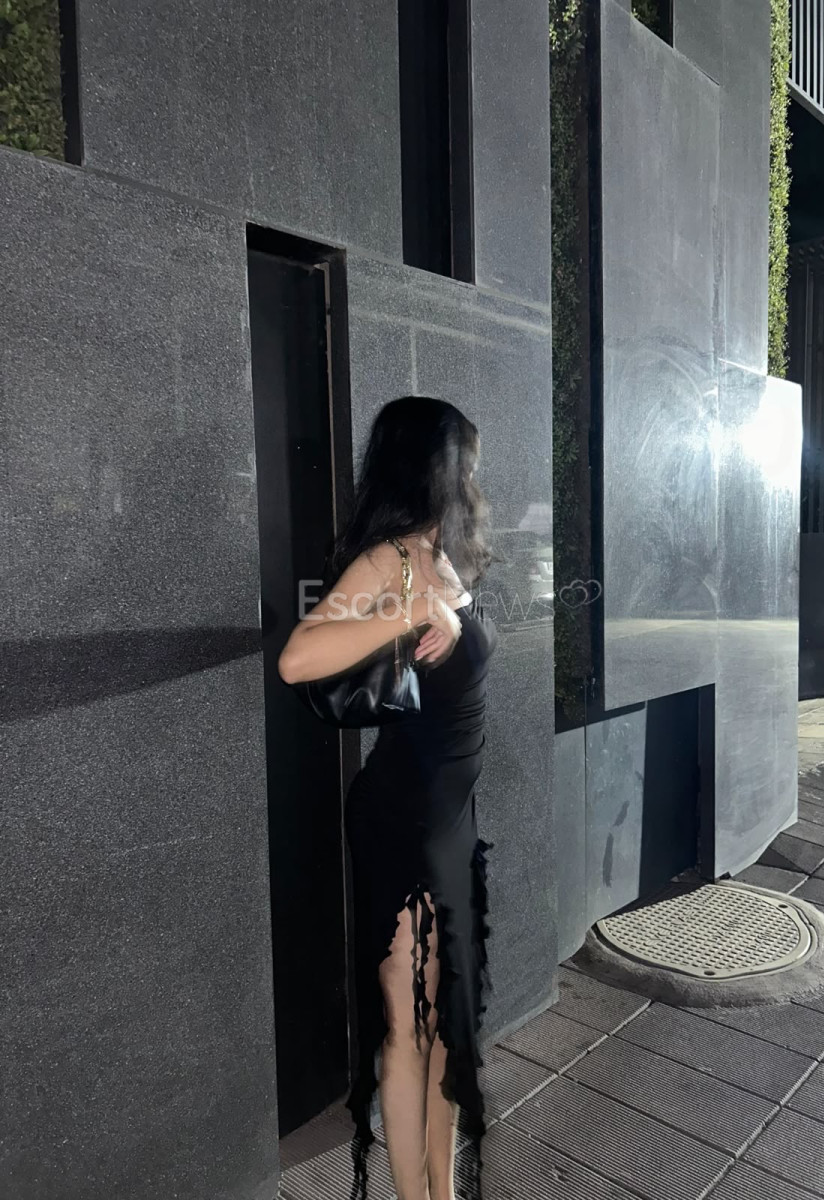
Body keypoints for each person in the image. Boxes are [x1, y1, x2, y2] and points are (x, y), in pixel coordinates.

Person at [278, 396, 498, 1200]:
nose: (475, 476)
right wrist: (410, 609)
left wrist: (441, 609)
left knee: (445, 1029)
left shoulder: (445, 553)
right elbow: (299, 659)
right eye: (465, 461)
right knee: (410, 1029)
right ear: (431, 467)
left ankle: (442, 1190)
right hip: (404, 823)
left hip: (450, 821)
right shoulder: (391, 560)